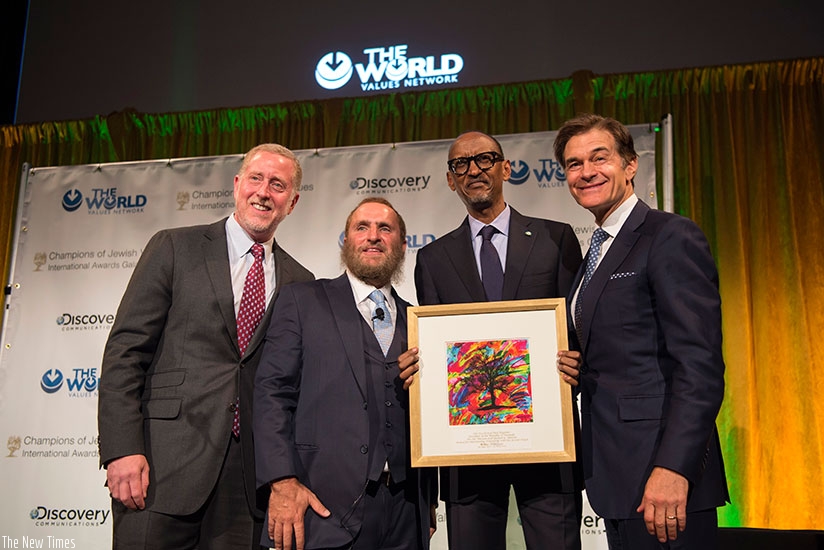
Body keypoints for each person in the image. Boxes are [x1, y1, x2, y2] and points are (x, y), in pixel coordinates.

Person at [98, 143, 314, 549]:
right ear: (237, 185)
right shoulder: (174, 247)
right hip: (160, 468)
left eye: (278, 185)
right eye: (256, 178)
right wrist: (121, 449)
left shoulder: (301, 282)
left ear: (293, 202)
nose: (263, 192)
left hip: (245, 483)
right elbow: (125, 353)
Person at [553, 113, 729, 549]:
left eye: (599, 158)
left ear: (630, 164)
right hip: (616, 475)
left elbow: (700, 367)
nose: (586, 172)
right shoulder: (594, 253)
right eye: (574, 164)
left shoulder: (669, 236)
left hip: (664, 480)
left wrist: (674, 468)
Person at [414, 131, 584, 550]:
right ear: (451, 180)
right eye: (461, 164)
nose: (473, 169)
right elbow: (436, 351)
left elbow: (577, 329)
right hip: (466, 446)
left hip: (547, 439)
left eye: (485, 159)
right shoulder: (432, 259)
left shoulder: (556, 239)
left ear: (506, 168)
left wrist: (578, 361)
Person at [254, 197, 435, 550]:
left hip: (406, 511)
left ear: (402, 245)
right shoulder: (302, 301)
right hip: (323, 509)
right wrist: (282, 481)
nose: (373, 236)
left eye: (385, 228)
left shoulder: (418, 321)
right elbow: (271, 394)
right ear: (347, 240)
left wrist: (429, 496)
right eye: (362, 227)